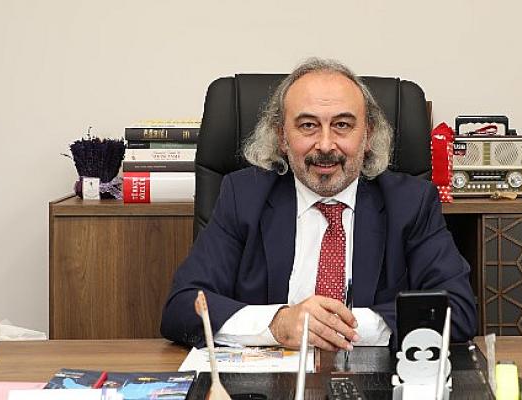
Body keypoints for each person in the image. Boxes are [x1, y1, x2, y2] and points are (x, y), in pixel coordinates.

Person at [160, 58, 476, 351]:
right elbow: (183, 307)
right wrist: (277, 324)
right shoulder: (243, 197)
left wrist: (343, 328)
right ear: (282, 137)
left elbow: (457, 310)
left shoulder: (410, 203)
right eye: (308, 126)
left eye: (342, 125)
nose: (325, 145)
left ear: (368, 135)